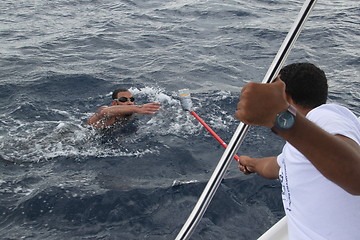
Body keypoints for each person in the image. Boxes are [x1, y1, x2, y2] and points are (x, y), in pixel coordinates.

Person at [234, 62, 360, 239]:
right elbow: (276, 166)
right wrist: (251, 163)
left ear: (284, 95)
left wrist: (278, 117)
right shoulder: (308, 145)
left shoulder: (324, 116)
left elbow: (356, 175)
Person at [88, 88, 161, 128]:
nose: (130, 103)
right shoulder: (105, 110)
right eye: (123, 100)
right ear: (114, 103)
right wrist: (136, 108)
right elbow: (104, 112)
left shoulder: (133, 113)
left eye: (131, 99)